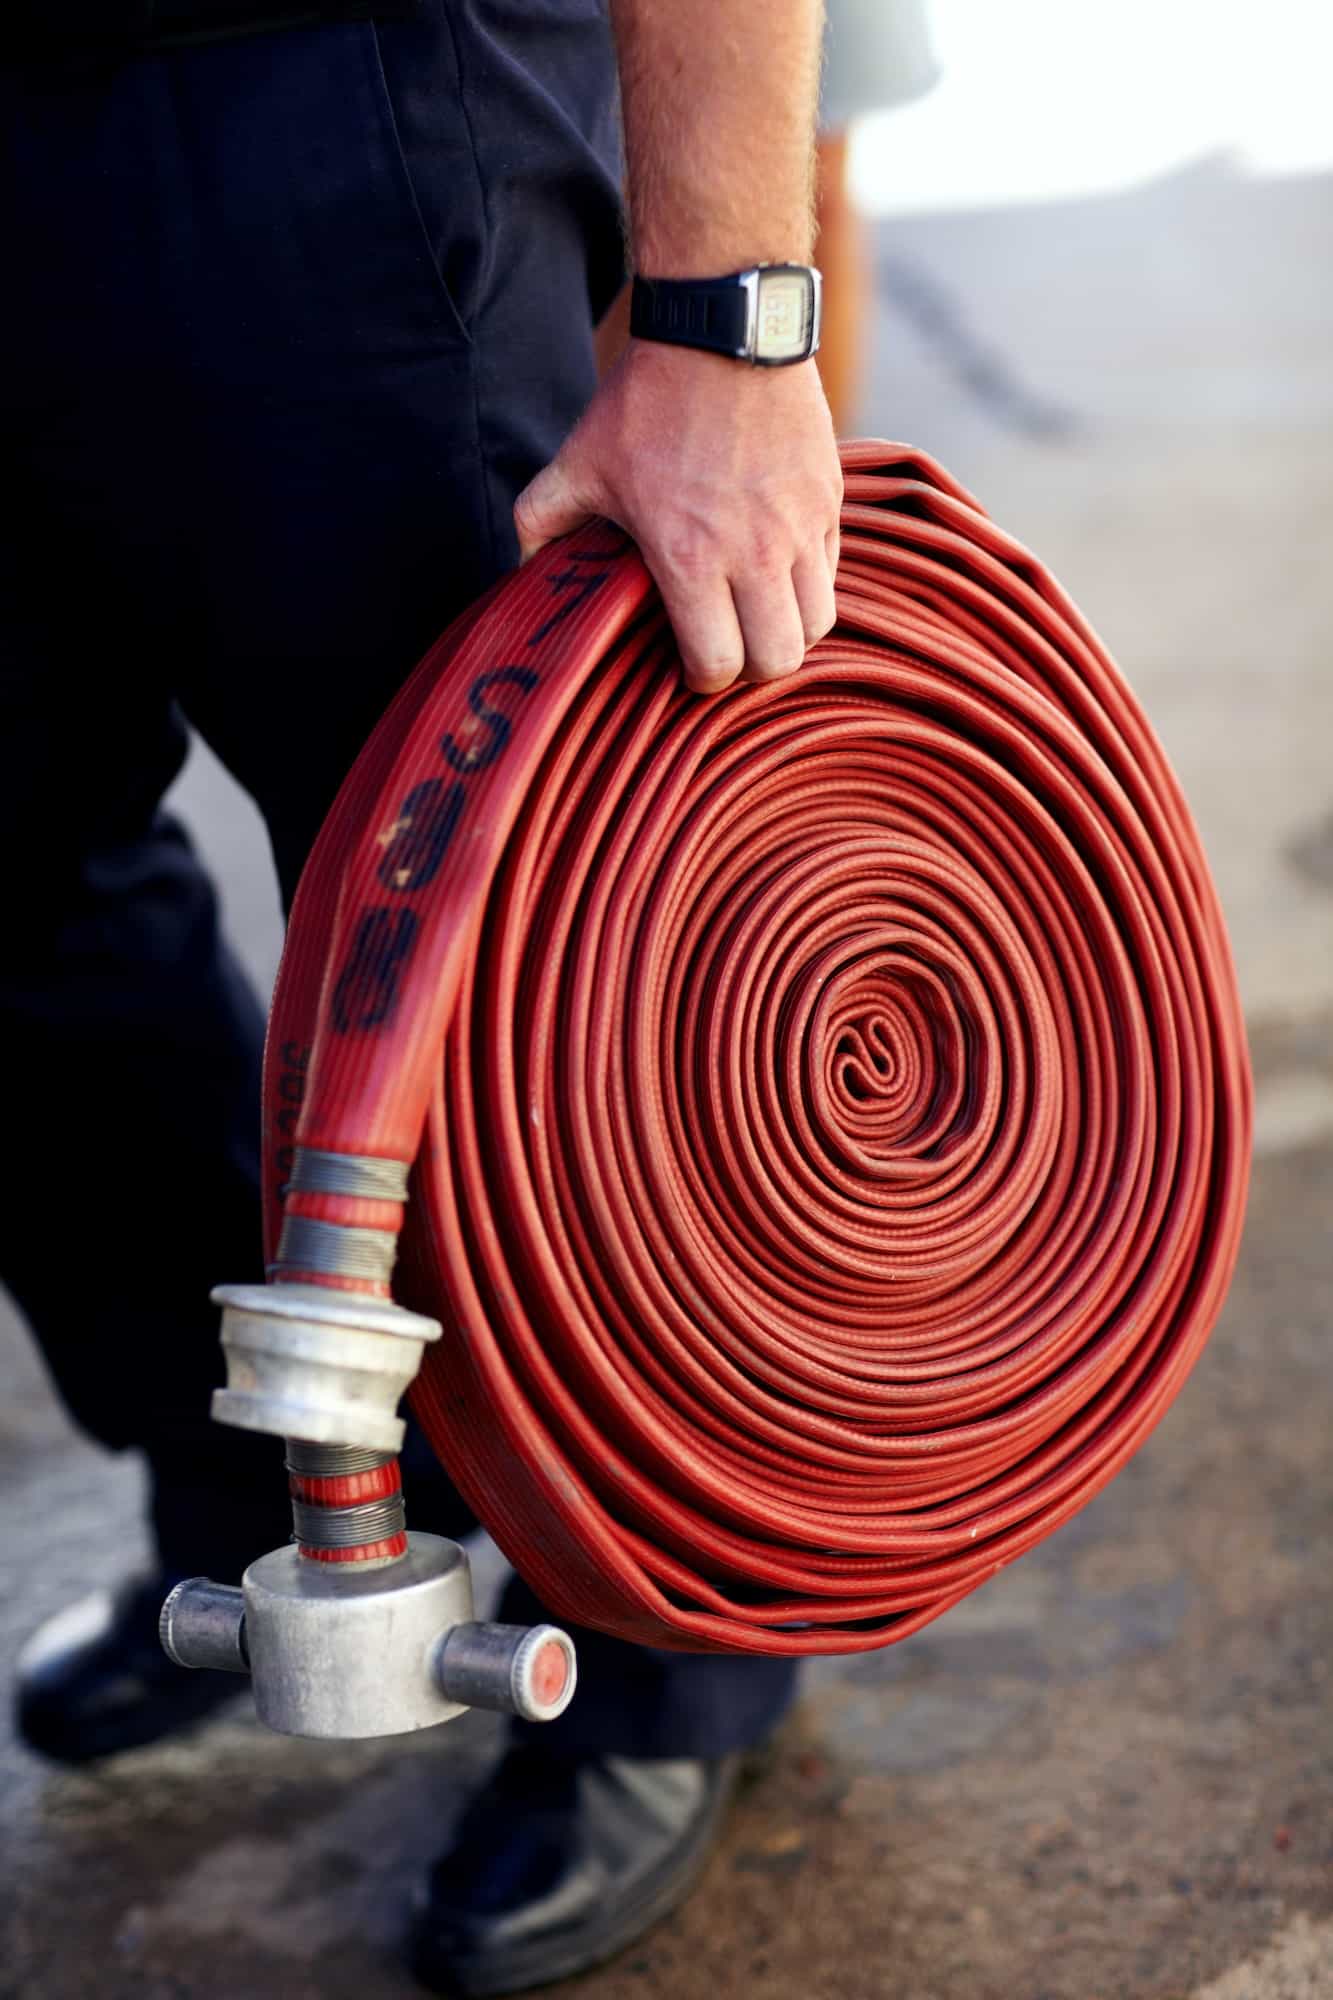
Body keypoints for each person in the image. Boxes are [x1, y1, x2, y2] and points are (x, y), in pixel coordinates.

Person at [3, 1, 841, 1992]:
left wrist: (729, 314)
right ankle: (240, 1479)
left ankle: (660, 1645)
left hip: (328, 95)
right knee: (19, 891)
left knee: (501, 957)